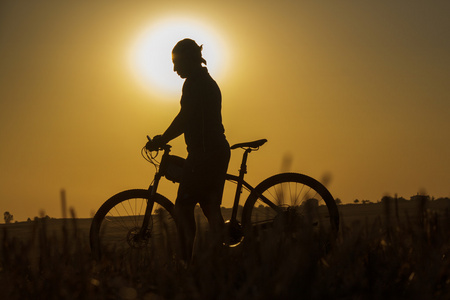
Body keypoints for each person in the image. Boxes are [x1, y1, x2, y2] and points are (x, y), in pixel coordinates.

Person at [149, 38, 230, 263]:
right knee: (208, 206)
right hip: (213, 150)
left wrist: (162, 139)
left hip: (205, 153)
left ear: (189, 60)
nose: (174, 69)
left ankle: (185, 264)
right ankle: (223, 261)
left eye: (177, 63)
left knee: (184, 206)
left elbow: (185, 118)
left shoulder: (196, 83)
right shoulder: (202, 80)